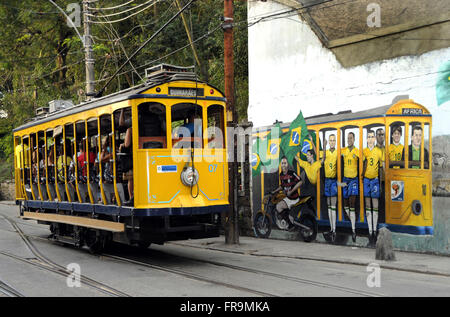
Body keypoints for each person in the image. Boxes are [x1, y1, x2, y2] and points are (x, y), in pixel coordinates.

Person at [362, 130, 384, 247]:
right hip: (366, 180)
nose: (370, 139)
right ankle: (370, 233)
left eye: (372, 137)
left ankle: (375, 233)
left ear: (374, 139)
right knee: (368, 205)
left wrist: (380, 184)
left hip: (375, 180)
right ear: (366, 139)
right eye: (368, 137)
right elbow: (362, 166)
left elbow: (380, 169)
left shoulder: (378, 152)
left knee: (375, 206)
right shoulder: (364, 151)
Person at [271, 157, 302, 230]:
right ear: (281, 165)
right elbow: (282, 185)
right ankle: (287, 222)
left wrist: (291, 191)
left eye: (285, 163)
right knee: (279, 205)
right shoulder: (281, 175)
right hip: (288, 198)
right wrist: (275, 191)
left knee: (279, 206)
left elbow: (300, 181)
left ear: (287, 164)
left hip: (294, 198)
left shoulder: (292, 173)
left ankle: (290, 225)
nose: (284, 165)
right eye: (282, 163)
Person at [341, 132, 359, 242]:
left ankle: (353, 230)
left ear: (354, 139)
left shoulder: (357, 151)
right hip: (345, 180)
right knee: (345, 204)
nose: (349, 140)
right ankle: (353, 219)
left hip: (354, 180)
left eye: (351, 138)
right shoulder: (343, 151)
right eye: (348, 138)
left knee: (352, 203)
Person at [322, 134, 338, 242]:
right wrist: (323, 146)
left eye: (333, 140)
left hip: (334, 180)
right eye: (330, 140)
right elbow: (322, 161)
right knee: (329, 205)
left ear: (335, 142)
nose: (332, 142)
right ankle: (331, 229)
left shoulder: (338, 152)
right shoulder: (326, 153)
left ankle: (334, 229)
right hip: (327, 180)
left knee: (333, 205)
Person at [119, 108, 134, 206]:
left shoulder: (130, 129)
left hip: (133, 157)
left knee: (131, 178)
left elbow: (127, 144)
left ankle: (131, 197)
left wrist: (121, 145)